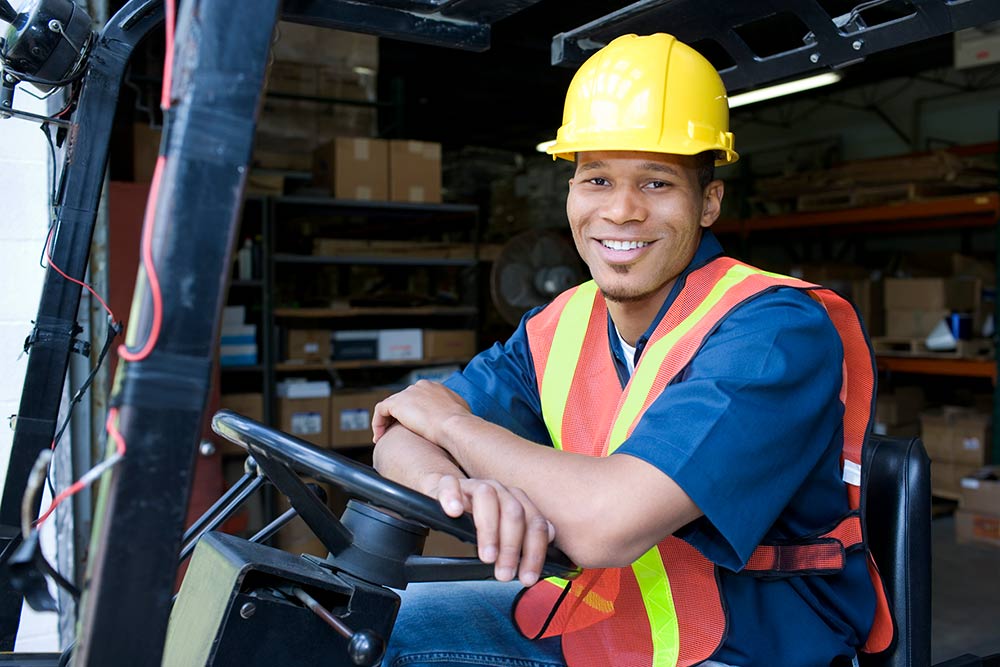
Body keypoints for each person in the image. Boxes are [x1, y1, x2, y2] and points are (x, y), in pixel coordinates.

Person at [371, 33, 891, 667]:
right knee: (358, 627)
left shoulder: (774, 330)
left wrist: (455, 428)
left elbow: (603, 523)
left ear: (708, 202)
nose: (620, 210)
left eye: (655, 183)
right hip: (598, 621)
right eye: (596, 178)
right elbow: (398, 427)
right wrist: (456, 489)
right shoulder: (559, 325)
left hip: (752, 645)